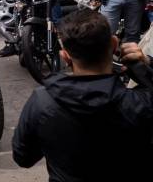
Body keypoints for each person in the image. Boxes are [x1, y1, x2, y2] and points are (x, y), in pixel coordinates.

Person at [12, 9, 153, 181]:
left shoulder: (42, 102)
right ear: (114, 44)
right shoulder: (141, 103)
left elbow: (23, 157)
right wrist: (142, 69)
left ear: (65, 57)